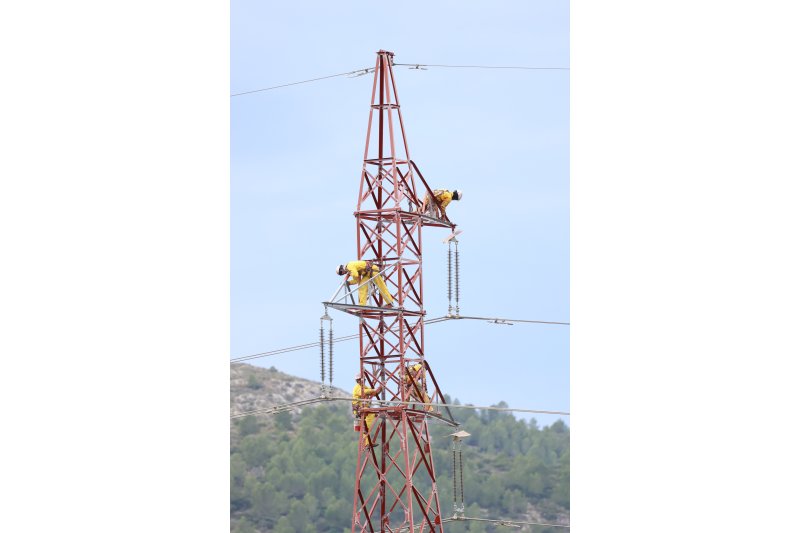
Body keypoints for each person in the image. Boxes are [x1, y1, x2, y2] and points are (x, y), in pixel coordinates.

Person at [352, 373, 382, 447]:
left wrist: (380, 389)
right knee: (367, 423)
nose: (361, 381)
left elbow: (373, 393)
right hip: (360, 409)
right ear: (357, 381)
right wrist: (373, 390)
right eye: (359, 380)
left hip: (364, 409)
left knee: (367, 426)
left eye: (362, 380)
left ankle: (367, 442)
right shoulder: (357, 388)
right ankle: (366, 442)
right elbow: (364, 392)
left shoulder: (364, 387)